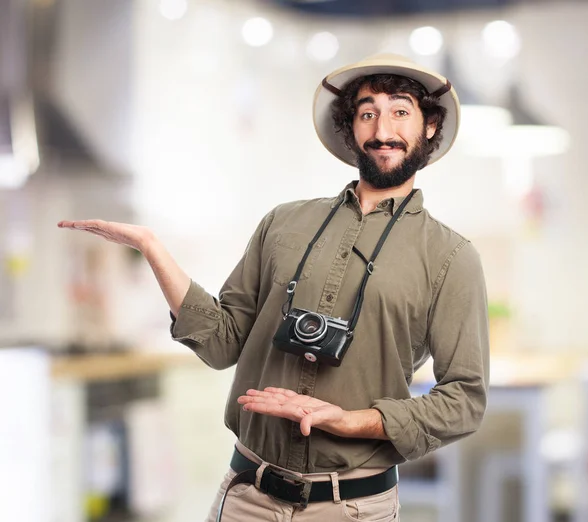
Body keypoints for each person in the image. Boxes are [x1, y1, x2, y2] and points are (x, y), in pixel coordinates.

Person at [58, 53, 489, 522]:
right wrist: (151, 248)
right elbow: (222, 342)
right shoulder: (283, 223)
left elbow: (464, 399)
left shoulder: (451, 257)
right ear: (352, 130)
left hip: (353, 508)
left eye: (401, 111)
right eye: (368, 113)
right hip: (248, 497)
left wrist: (353, 421)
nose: (383, 129)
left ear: (429, 127)